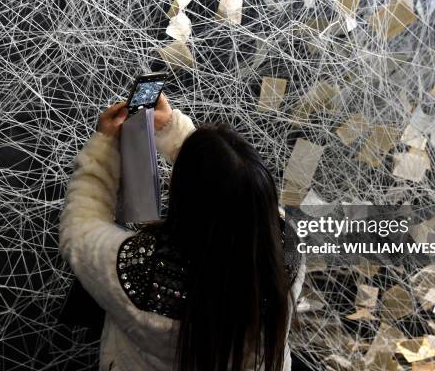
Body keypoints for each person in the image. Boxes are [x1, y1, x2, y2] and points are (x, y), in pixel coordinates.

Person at [58, 93, 305, 371]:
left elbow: (80, 228)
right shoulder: (286, 250)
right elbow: (234, 190)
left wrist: (104, 148)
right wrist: (173, 129)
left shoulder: (140, 275)